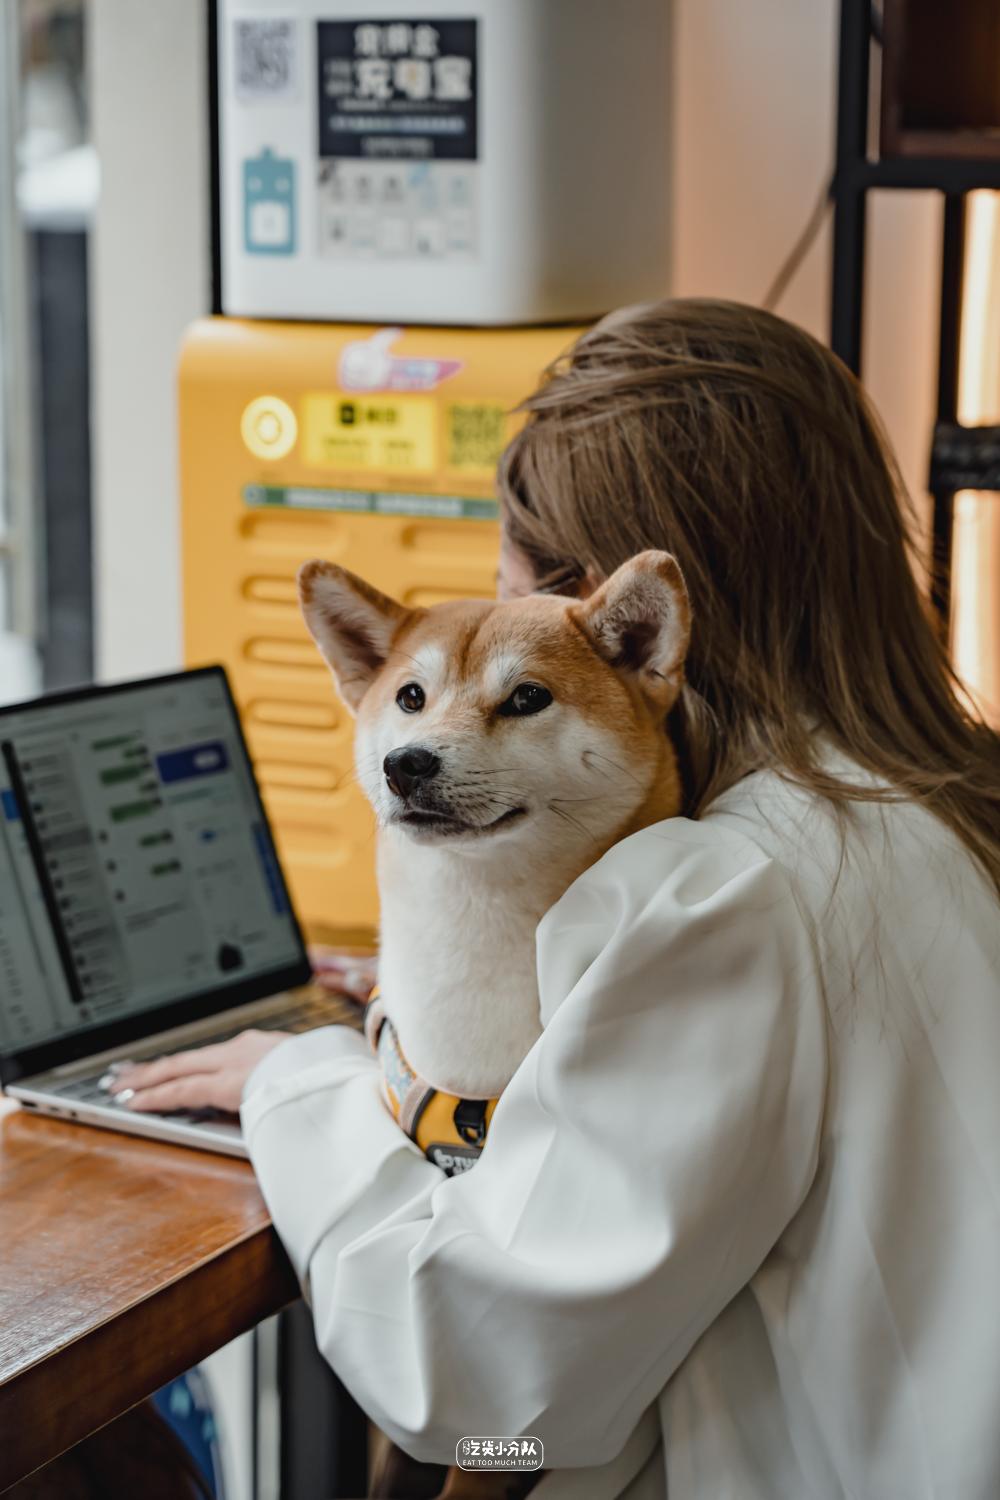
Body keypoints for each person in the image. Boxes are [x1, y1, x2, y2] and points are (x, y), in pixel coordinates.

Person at [115, 301, 1000, 1500]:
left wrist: (298, 1085)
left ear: (621, 615)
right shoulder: (942, 800)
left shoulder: (731, 893)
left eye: (508, 585)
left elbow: (480, 1385)